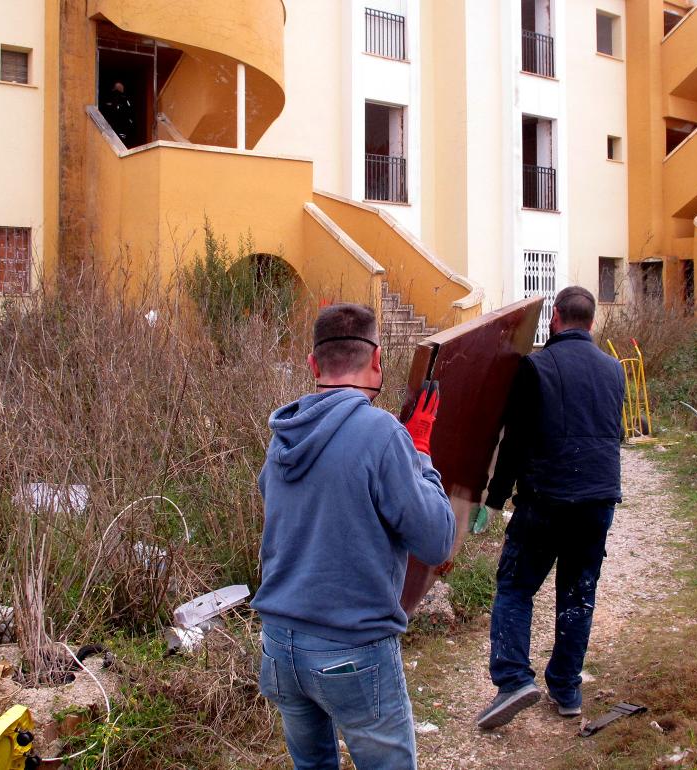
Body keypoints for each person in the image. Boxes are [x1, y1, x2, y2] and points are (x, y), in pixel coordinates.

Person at [252, 302, 456, 769]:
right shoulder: (383, 433)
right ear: (377, 360)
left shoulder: (282, 434)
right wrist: (420, 452)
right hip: (351, 651)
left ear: (313, 365)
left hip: (279, 647)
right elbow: (437, 540)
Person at [475, 286, 625, 730]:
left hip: (546, 500)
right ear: (592, 323)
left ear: (554, 317)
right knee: (578, 593)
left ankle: (513, 680)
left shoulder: (534, 368)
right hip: (598, 500)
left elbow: (515, 442)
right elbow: (610, 434)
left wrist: (495, 499)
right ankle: (566, 687)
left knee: (516, 587)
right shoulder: (615, 370)